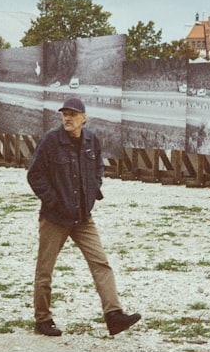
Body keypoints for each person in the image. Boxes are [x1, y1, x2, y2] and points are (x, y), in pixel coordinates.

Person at [27, 97, 141, 337]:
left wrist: (92, 194)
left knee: (101, 263)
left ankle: (114, 315)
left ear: (84, 118)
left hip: (83, 217)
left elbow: (98, 169)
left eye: (73, 114)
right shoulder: (50, 141)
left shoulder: (91, 140)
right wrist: (54, 202)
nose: (68, 118)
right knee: (45, 269)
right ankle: (43, 319)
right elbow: (35, 175)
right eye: (64, 114)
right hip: (55, 218)